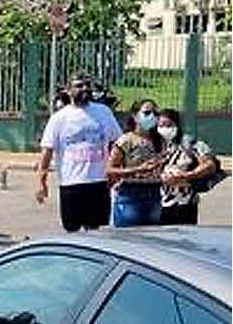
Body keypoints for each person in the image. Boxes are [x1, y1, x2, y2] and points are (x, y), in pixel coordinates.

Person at [36, 73, 122, 232]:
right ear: (68, 91)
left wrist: (115, 171)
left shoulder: (103, 112)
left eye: (87, 85)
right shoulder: (59, 118)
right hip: (72, 183)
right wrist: (42, 182)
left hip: (98, 182)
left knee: (97, 232)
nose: (85, 89)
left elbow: (117, 144)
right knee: (72, 231)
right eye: (79, 86)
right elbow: (47, 150)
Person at [107, 99, 165, 227]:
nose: (152, 117)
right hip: (131, 193)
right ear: (135, 116)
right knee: (128, 236)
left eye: (155, 114)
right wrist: (139, 169)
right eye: (147, 113)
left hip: (154, 192)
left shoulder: (159, 140)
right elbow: (110, 169)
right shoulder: (126, 140)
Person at [158, 108, 219, 225]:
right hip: (159, 202)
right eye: (160, 125)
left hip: (185, 203)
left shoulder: (189, 143)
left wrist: (187, 176)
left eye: (168, 125)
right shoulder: (158, 144)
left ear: (177, 125)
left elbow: (209, 165)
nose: (163, 129)